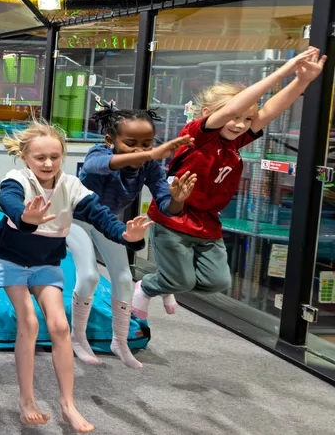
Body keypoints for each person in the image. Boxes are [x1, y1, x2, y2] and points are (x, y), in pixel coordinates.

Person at [135, 47, 325, 319]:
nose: (239, 124)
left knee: (217, 282)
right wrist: (285, 69)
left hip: (207, 222)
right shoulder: (198, 135)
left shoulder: (235, 141)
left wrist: (302, 81)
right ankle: (150, 286)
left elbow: (270, 111)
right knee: (180, 281)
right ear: (207, 113)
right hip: (175, 219)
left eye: (246, 120)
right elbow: (235, 107)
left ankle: (171, 281)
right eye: (234, 118)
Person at [0, 120, 150, 433]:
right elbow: (8, 200)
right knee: (29, 322)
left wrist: (125, 235)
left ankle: (68, 405)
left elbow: (100, 215)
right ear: (25, 158)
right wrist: (24, 216)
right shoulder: (17, 180)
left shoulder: (72, 185)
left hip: (46, 262)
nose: (48, 163)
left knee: (61, 327)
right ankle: (27, 401)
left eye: (54, 156)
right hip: (10, 259)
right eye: (40, 158)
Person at [72, 106, 192, 369]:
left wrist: (177, 200)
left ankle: (119, 340)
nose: (140, 150)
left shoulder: (149, 166)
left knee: (125, 278)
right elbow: (96, 166)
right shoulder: (99, 153)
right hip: (76, 219)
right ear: (110, 140)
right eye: (130, 143)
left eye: (147, 144)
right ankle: (77, 338)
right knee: (89, 275)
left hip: (106, 222)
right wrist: (150, 153)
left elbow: (166, 204)